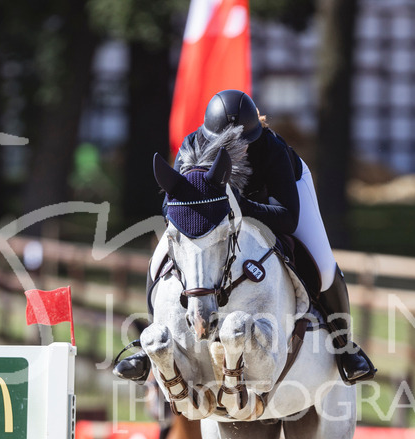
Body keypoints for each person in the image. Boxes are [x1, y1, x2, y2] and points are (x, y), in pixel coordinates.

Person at [115, 89, 376, 385]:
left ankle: (345, 350)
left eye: (244, 143)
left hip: (275, 200)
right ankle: (147, 348)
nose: (237, 149)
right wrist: (197, 209)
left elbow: (287, 217)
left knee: (324, 268)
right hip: (218, 216)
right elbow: (169, 205)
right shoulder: (192, 145)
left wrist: (240, 205)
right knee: (160, 258)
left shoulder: (271, 149)